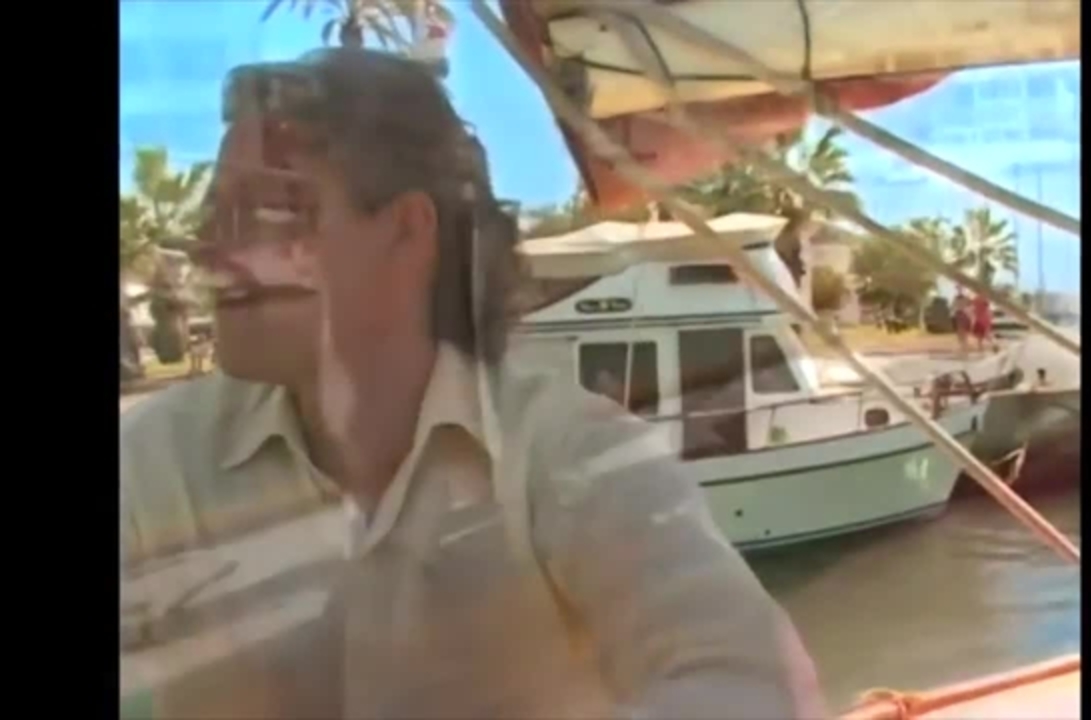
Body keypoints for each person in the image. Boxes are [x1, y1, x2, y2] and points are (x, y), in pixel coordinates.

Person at [121, 49, 824, 718]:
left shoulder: (570, 455)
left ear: (406, 232)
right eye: (215, 216)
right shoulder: (154, 463)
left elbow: (748, 684)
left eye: (269, 213)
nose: (212, 251)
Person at [952, 290, 971, 357]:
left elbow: (954, 307)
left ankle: (964, 351)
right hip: (962, 316)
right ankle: (964, 351)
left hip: (961, 316)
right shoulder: (962, 300)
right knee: (963, 336)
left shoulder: (959, 300)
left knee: (962, 336)